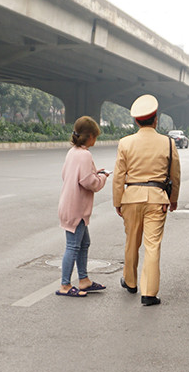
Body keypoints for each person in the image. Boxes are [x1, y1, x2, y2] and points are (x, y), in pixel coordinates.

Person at [112, 94, 181, 306]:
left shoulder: (125, 143)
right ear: (156, 119)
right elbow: (175, 175)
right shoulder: (168, 143)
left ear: (135, 121)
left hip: (131, 198)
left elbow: (118, 177)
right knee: (152, 246)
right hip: (157, 199)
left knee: (131, 241)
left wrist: (117, 202)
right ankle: (149, 294)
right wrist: (173, 199)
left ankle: (131, 283)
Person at [56, 116, 109, 298]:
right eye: (95, 136)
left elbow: (68, 175)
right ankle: (65, 285)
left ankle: (84, 280)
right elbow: (89, 182)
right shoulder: (85, 155)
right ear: (90, 136)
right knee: (73, 246)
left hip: (69, 204)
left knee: (84, 243)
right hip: (76, 208)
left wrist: (95, 174)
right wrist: (102, 177)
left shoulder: (73, 152)